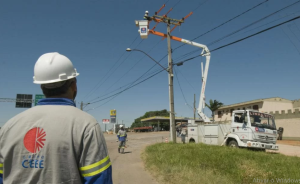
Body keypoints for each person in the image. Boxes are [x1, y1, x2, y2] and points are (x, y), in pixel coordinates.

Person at [0, 53, 112, 184]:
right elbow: (99, 179)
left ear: (41, 86)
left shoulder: (9, 126)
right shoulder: (86, 125)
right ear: (74, 84)